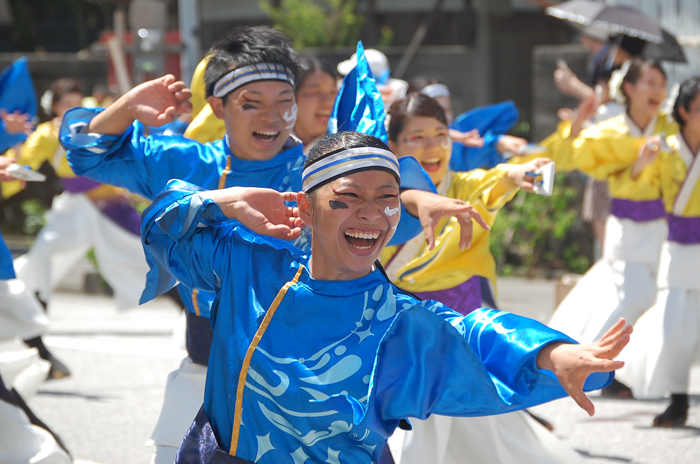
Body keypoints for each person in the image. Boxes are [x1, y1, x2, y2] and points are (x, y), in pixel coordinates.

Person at [61, 28, 439, 464]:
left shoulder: (318, 173)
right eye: (251, 103)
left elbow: (380, 214)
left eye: (284, 102)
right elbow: (89, 154)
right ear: (218, 107)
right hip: (207, 370)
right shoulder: (188, 163)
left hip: (308, 382)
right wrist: (127, 106)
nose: (272, 118)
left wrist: (413, 196)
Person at [140, 130, 631, 463]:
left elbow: (475, 332)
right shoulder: (248, 265)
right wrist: (225, 200)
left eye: (387, 200)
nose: (371, 215)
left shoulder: (398, 318)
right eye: (347, 199)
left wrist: (553, 353)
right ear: (307, 210)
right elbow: (162, 231)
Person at [381, 93, 583, 464]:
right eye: (417, 137)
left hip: (462, 333)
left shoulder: (464, 187)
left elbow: (498, 178)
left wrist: (519, 172)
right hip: (405, 341)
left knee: (485, 432)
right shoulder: (380, 198)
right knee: (413, 431)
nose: (432, 147)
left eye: (441, 134)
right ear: (392, 145)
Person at [547, 57, 676, 396]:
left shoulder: (673, 126)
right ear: (629, 89)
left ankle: (642, 368)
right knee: (629, 297)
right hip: (627, 228)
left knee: (662, 296)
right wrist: (577, 124)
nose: (657, 90)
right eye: (648, 82)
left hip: (666, 226)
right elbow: (565, 157)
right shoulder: (609, 130)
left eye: (661, 83)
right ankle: (595, 363)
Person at [614, 76, 700, 426]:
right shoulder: (662, 148)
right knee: (676, 328)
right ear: (683, 111)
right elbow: (631, 184)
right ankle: (678, 400)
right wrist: (640, 164)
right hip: (678, 247)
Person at [293, 56, 339, 152]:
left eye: (333, 92)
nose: (328, 101)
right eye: (315, 93)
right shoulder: (269, 144)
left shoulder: (345, 148)